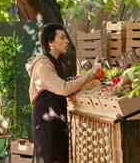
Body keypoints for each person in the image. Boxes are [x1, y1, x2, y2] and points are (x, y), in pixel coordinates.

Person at [26, 23, 101, 163]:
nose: (67, 41)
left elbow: (67, 86)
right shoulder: (43, 64)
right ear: (50, 43)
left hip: (58, 123)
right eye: (62, 38)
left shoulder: (59, 63)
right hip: (46, 125)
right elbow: (64, 88)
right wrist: (90, 75)